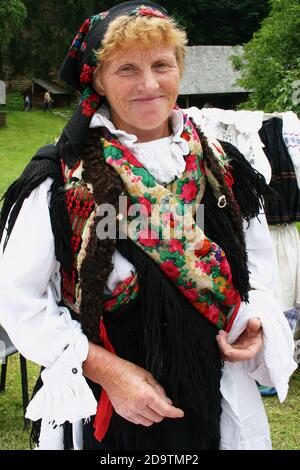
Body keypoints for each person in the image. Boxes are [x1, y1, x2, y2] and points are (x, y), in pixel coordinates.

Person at [0, 1, 297, 450]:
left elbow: (255, 274)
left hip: (216, 397)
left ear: (179, 69)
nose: (149, 84)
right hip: (107, 407)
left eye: (162, 64)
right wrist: (107, 371)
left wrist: (254, 321)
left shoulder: (222, 167)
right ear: (97, 79)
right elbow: (18, 301)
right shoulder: (61, 177)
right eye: (126, 69)